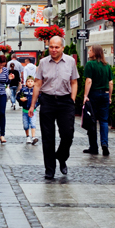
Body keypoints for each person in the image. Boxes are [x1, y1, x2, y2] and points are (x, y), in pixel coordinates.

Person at [29, 36, 79, 179]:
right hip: (48, 101)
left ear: (62, 47)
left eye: (57, 47)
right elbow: (38, 84)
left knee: (68, 134)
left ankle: (61, 156)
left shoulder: (70, 61)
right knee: (48, 137)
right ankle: (49, 169)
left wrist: (73, 99)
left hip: (65, 101)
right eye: (51, 47)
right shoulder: (43, 62)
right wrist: (32, 105)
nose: (54, 50)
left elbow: (74, 82)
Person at [82, 45, 113, 156]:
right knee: (104, 121)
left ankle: (93, 147)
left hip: (94, 94)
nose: (89, 52)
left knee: (92, 121)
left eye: (90, 50)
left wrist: (85, 95)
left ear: (95, 52)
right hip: (105, 94)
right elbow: (111, 83)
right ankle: (104, 144)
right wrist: (109, 96)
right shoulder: (107, 66)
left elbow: (89, 81)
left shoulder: (90, 64)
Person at [18, 76, 39, 144]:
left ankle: (33, 137)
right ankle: (28, 136)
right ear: (26, 83)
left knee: (33, 123)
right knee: (26, 125)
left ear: (34, 83)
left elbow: (40, 99)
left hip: (33, 111)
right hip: (25, 110)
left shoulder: (35, 90)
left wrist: (35, 105)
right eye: (28, 81)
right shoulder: (23, 90)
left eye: (31, 81)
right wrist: (21, 99)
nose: (30, 83)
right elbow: (18, 96)